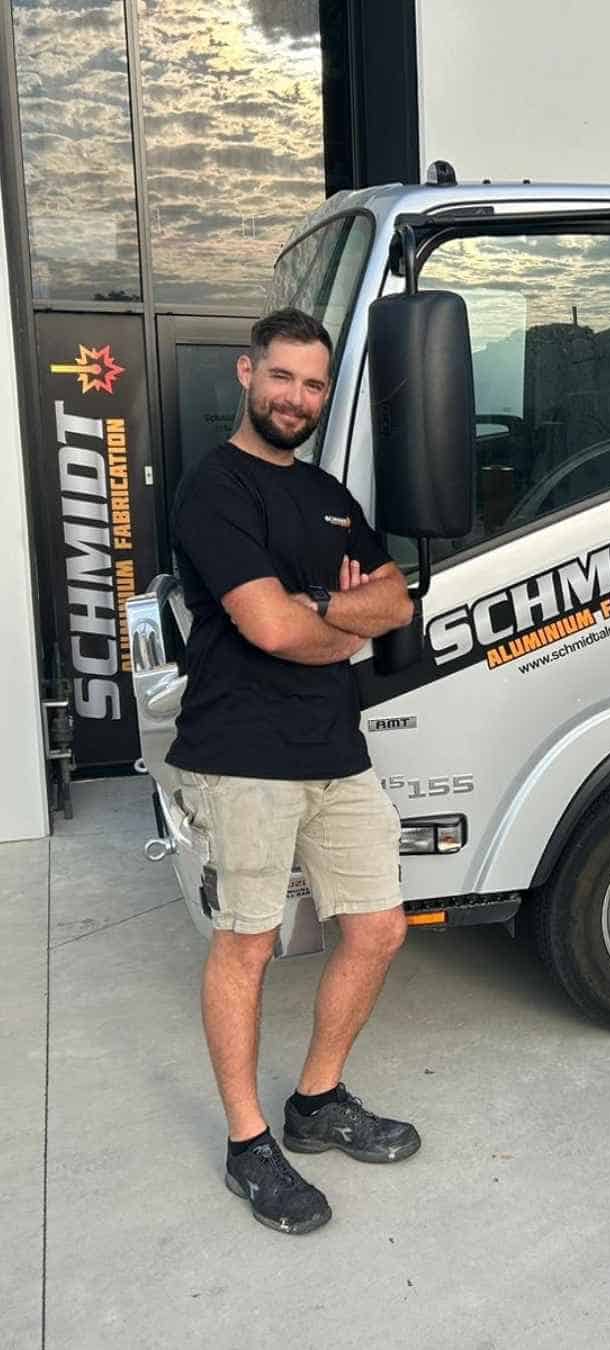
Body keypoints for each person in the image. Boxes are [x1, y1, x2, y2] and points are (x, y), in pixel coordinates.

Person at [167, 307, 417, 1234]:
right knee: (247, 943)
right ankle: (247, 1144)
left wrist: (319, 613)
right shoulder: (213, 490)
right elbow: (269, 631)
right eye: (282, 378)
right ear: (247, 372)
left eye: (313, 385)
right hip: (242, 751)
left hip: (334, 750)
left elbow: (393, 601)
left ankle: (316, 1102)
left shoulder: (327, 493)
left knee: (380, 927)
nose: (296, 398)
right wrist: (328, 619)